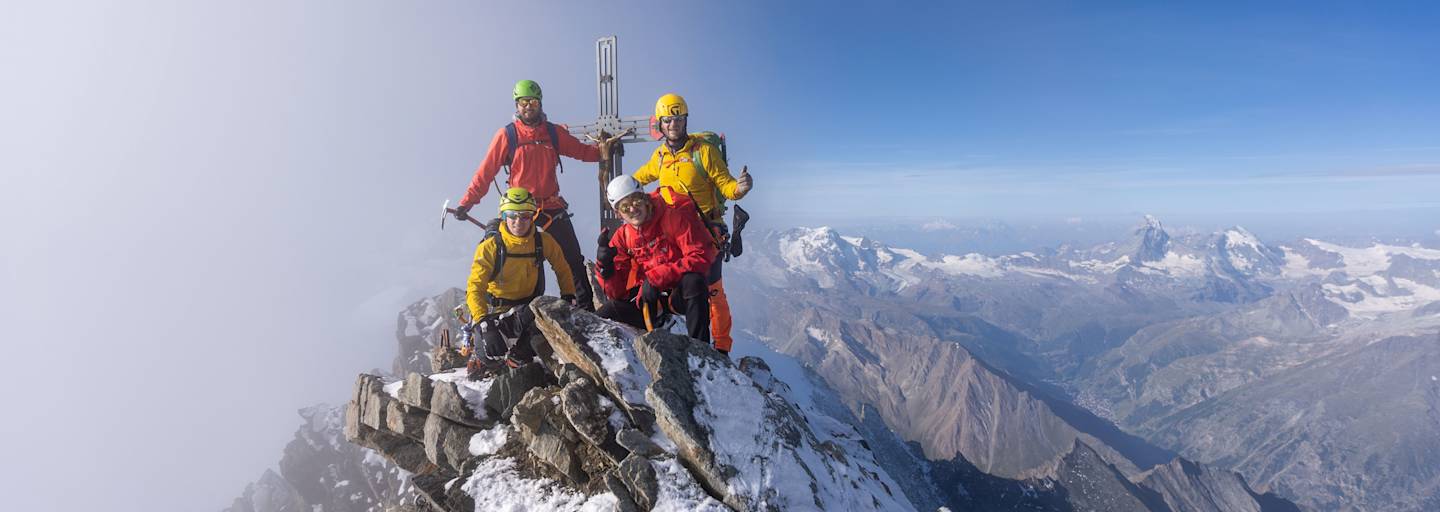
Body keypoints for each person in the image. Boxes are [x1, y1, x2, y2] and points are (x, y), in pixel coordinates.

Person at [453, 79, 620, 311]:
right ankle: (514, 311)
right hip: (521, 209)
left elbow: (581, 151)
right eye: (523, 102)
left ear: (540, 103)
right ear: (516, 105)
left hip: (552, 205)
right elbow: (486, 170)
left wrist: (605, 152)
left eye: (532, 101)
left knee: (572, 258)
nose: (528, 106)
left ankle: (584, 310)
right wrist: (467, 202)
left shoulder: (552, 132)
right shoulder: (507, 135)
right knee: (513, 260)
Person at [628, 93, 752, 354]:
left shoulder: (703, 151)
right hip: (673, 234)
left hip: (706, 231)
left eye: (679, 119)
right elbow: (639, 178)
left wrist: (739, 189)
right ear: (660, 124)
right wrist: (619, 189)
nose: (674, 125)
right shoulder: (660, 156)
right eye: (668, 120)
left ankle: (720, 348)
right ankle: (664, 321)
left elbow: (726, 185)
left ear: (686, 121)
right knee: (674, 281)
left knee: (712, 289)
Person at [594, 176, 717, 343]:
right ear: (618, 213)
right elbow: (617, 293)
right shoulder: (623, 237)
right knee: (607, 312)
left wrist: (655, 278)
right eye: (625, 206)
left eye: (636, 202)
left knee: (694, 281)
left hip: (678, 294)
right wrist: (605, 268)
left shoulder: (671, 217)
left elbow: (700, 255)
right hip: (649, 300)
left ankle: (700, 349)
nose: (632, 209)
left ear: (644, 199)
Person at [465, 187, 576, 373]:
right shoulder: (490, 247)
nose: (519, 222)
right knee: (488, 356)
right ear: (503, 216)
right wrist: (483, 323)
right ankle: (494, 353)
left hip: (528, 308)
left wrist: (568, 296)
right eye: (512, 215)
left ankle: (519, 355)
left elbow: (562, 267)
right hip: (496, 311)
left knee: (547, 321)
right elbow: (475, 287)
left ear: (533, 216)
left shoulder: (543, 241)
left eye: (525, 216)